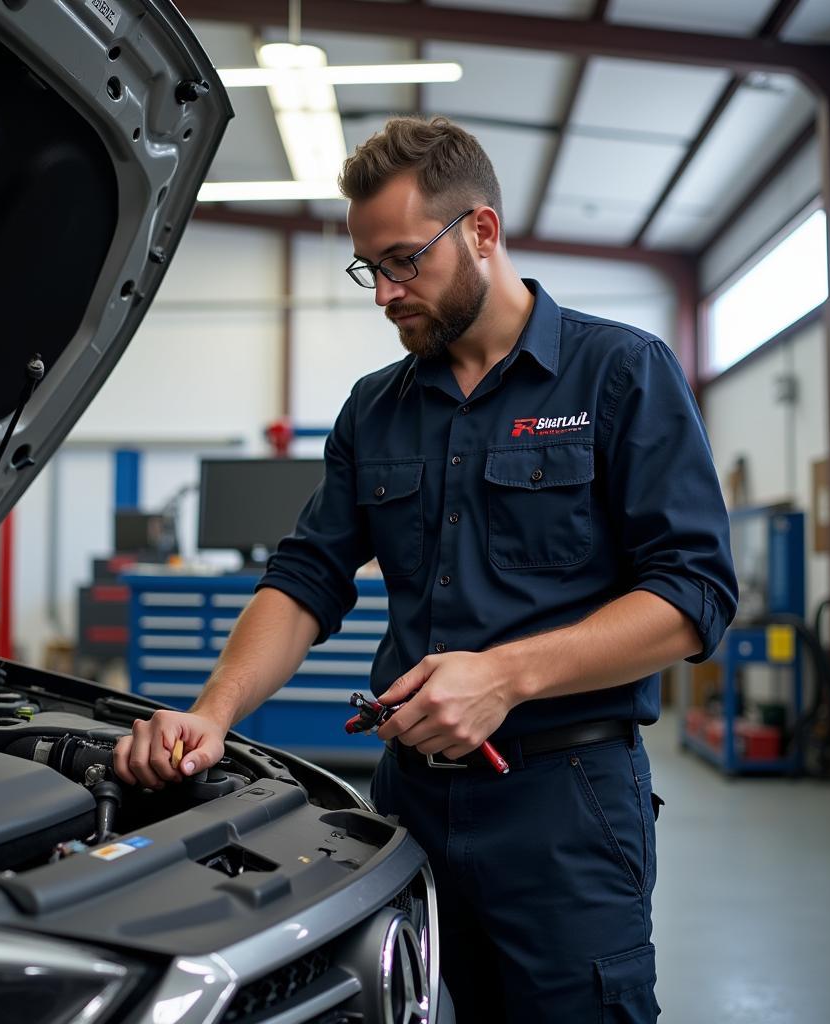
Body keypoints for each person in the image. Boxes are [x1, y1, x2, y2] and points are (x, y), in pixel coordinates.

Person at [114, 115, 737, 1022]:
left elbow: (695, 594)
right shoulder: (376, 410)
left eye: (405, 260)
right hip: (403, 801)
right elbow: (306, 576)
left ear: (481, 231)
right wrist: (213, 713)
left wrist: (505, 676)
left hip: (565, 806)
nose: (385, 294)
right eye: (371, 268)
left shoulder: (620, 373)